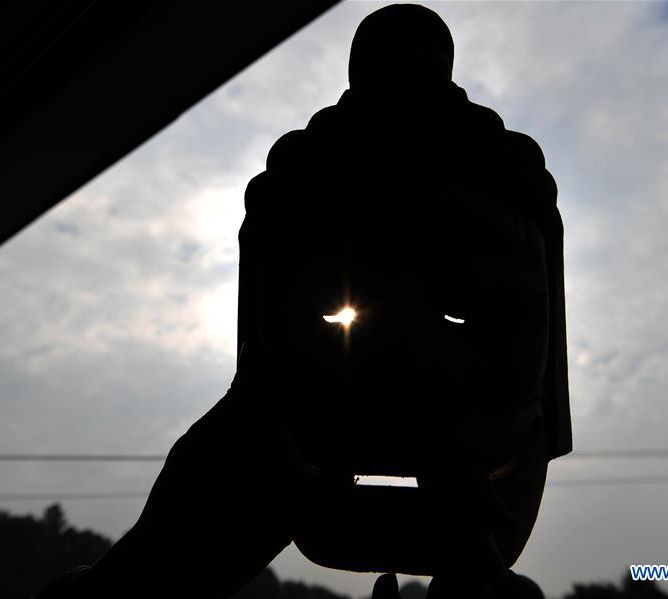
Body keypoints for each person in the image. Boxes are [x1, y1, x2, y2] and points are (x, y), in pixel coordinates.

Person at [37, 4, 570, 598]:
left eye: (459, 309)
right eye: (339, 307)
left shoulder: (492, 203)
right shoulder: (325, 196)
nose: (403, 360)